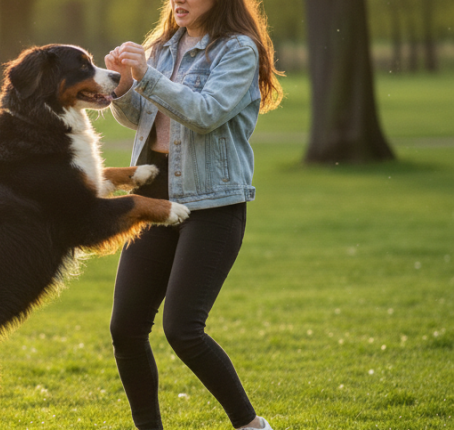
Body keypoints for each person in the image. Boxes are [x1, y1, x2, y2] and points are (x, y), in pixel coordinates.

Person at [103, 0, 284, 429]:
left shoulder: (238, 50)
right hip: (154, 198)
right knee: (125, 329)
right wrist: (126, 84)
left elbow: (204, 114)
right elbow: (141, 118)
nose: (179, 0)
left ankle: (250, 425)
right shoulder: (164, 46)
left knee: (183, 328)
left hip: (213, 203)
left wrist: (146, 76)